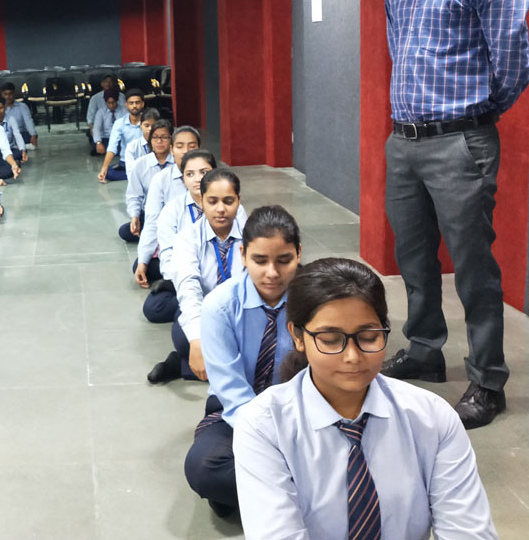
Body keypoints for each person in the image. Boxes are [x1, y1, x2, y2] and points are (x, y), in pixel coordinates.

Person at [382, 0, 529, 429]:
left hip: (460, 142)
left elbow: (513, 66)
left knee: (472, 266)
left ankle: (488, 380)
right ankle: (425, 350)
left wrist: (474, 116)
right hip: (403, 141)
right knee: (414, 258)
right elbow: (399, 52)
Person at [234, 258, 498, 539]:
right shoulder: (265, 425)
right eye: (330, 339)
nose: (352, 356)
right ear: (297, 336)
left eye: (369, 337)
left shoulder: (432, 418)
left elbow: (467, 530)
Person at [183, 206, 302, 518]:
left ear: (299, 254)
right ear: (243, 254)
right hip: (235, 413)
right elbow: (233, 394)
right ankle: (302, 489)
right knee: (205, 468)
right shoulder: (221, 305)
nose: (272, 273)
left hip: (300, 412)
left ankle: (257, 492)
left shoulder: (312, 300)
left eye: (284, 260)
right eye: (260, 260)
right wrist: (273, 445)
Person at [148, 169, 246, 384]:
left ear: (238, 200)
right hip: (205, 311)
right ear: (201, 201)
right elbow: (189, 289)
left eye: (228, 201)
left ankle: (182, 366)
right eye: (212, 201)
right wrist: (197, 340)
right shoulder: (187, 237)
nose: (221, 209)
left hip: (243, 313)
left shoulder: (251, 235)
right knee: (185, 340)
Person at [140, 149, 216, 323]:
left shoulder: (229, 207)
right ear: (183, 179)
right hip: (185, 276)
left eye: (204, 172)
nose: (198, 179)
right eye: (190, 174)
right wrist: (186, 284)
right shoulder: (172, 209)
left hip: (221, 278)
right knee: (154, 308)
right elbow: (167, 255)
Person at [134, 126, 201, 289]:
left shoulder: (211, 178)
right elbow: (152, 221)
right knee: (142, 264)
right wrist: (143, 261)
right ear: (171, 149)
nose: (186, 151)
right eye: (180, 146)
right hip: (173, 244)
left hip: (204, 246)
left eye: (192, 146)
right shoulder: (161, 179)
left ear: (199, 149)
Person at [120, 117, 172, 244]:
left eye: (164, 137)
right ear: (150, 140)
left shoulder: (179, 163)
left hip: (174, 214)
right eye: (155, 137)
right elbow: (134, 195)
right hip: (150, 214)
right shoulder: (140, 164)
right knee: (125, 231)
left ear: (171, 139)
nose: (159, 141)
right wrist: (135, 216)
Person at [98, 89, 145, 183]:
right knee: (108, 172)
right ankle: (138, 175)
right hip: (126, 162)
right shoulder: (119, 123)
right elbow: (112, 147)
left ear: (142, 104)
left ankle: (135, 174)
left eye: (137, 103)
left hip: (144, 161)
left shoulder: (148, 122)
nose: (134, 106)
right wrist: (104, 168)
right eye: (131, 103)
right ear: (126, 105)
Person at [86, 74, 125, 154]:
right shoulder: (95, 100)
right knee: (95, 137)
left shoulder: (122, 99)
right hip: (103, 133)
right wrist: (94, 134)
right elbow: (91, 118)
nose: (108, 84)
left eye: (111, 82)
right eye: (106, 81)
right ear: (101, 84)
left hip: (118, 134)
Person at [0, 81, 37, 149]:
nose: (8, 97)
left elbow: (28, 121)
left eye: (10, 94)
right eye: (5, 94)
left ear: (14, 93)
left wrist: (33, 135)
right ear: (2, 94)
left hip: (21, 133)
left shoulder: (23, 107)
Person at [0, 96, 29, 164]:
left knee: (21, 152)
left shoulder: (11, 119)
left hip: (10, 149)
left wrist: (23, 150)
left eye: (1, 108)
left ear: (5, 107)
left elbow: (17, 135)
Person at [92, 89, 126, 157]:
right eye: (109, 103)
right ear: (105, 102)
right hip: (106, 138)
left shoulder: (124, 110)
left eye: (113, 102)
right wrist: (98, 142)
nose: (111, 105)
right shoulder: (101, 112)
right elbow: (96, 128)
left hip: (120, 138)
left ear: (117, 101)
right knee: (96, 144)